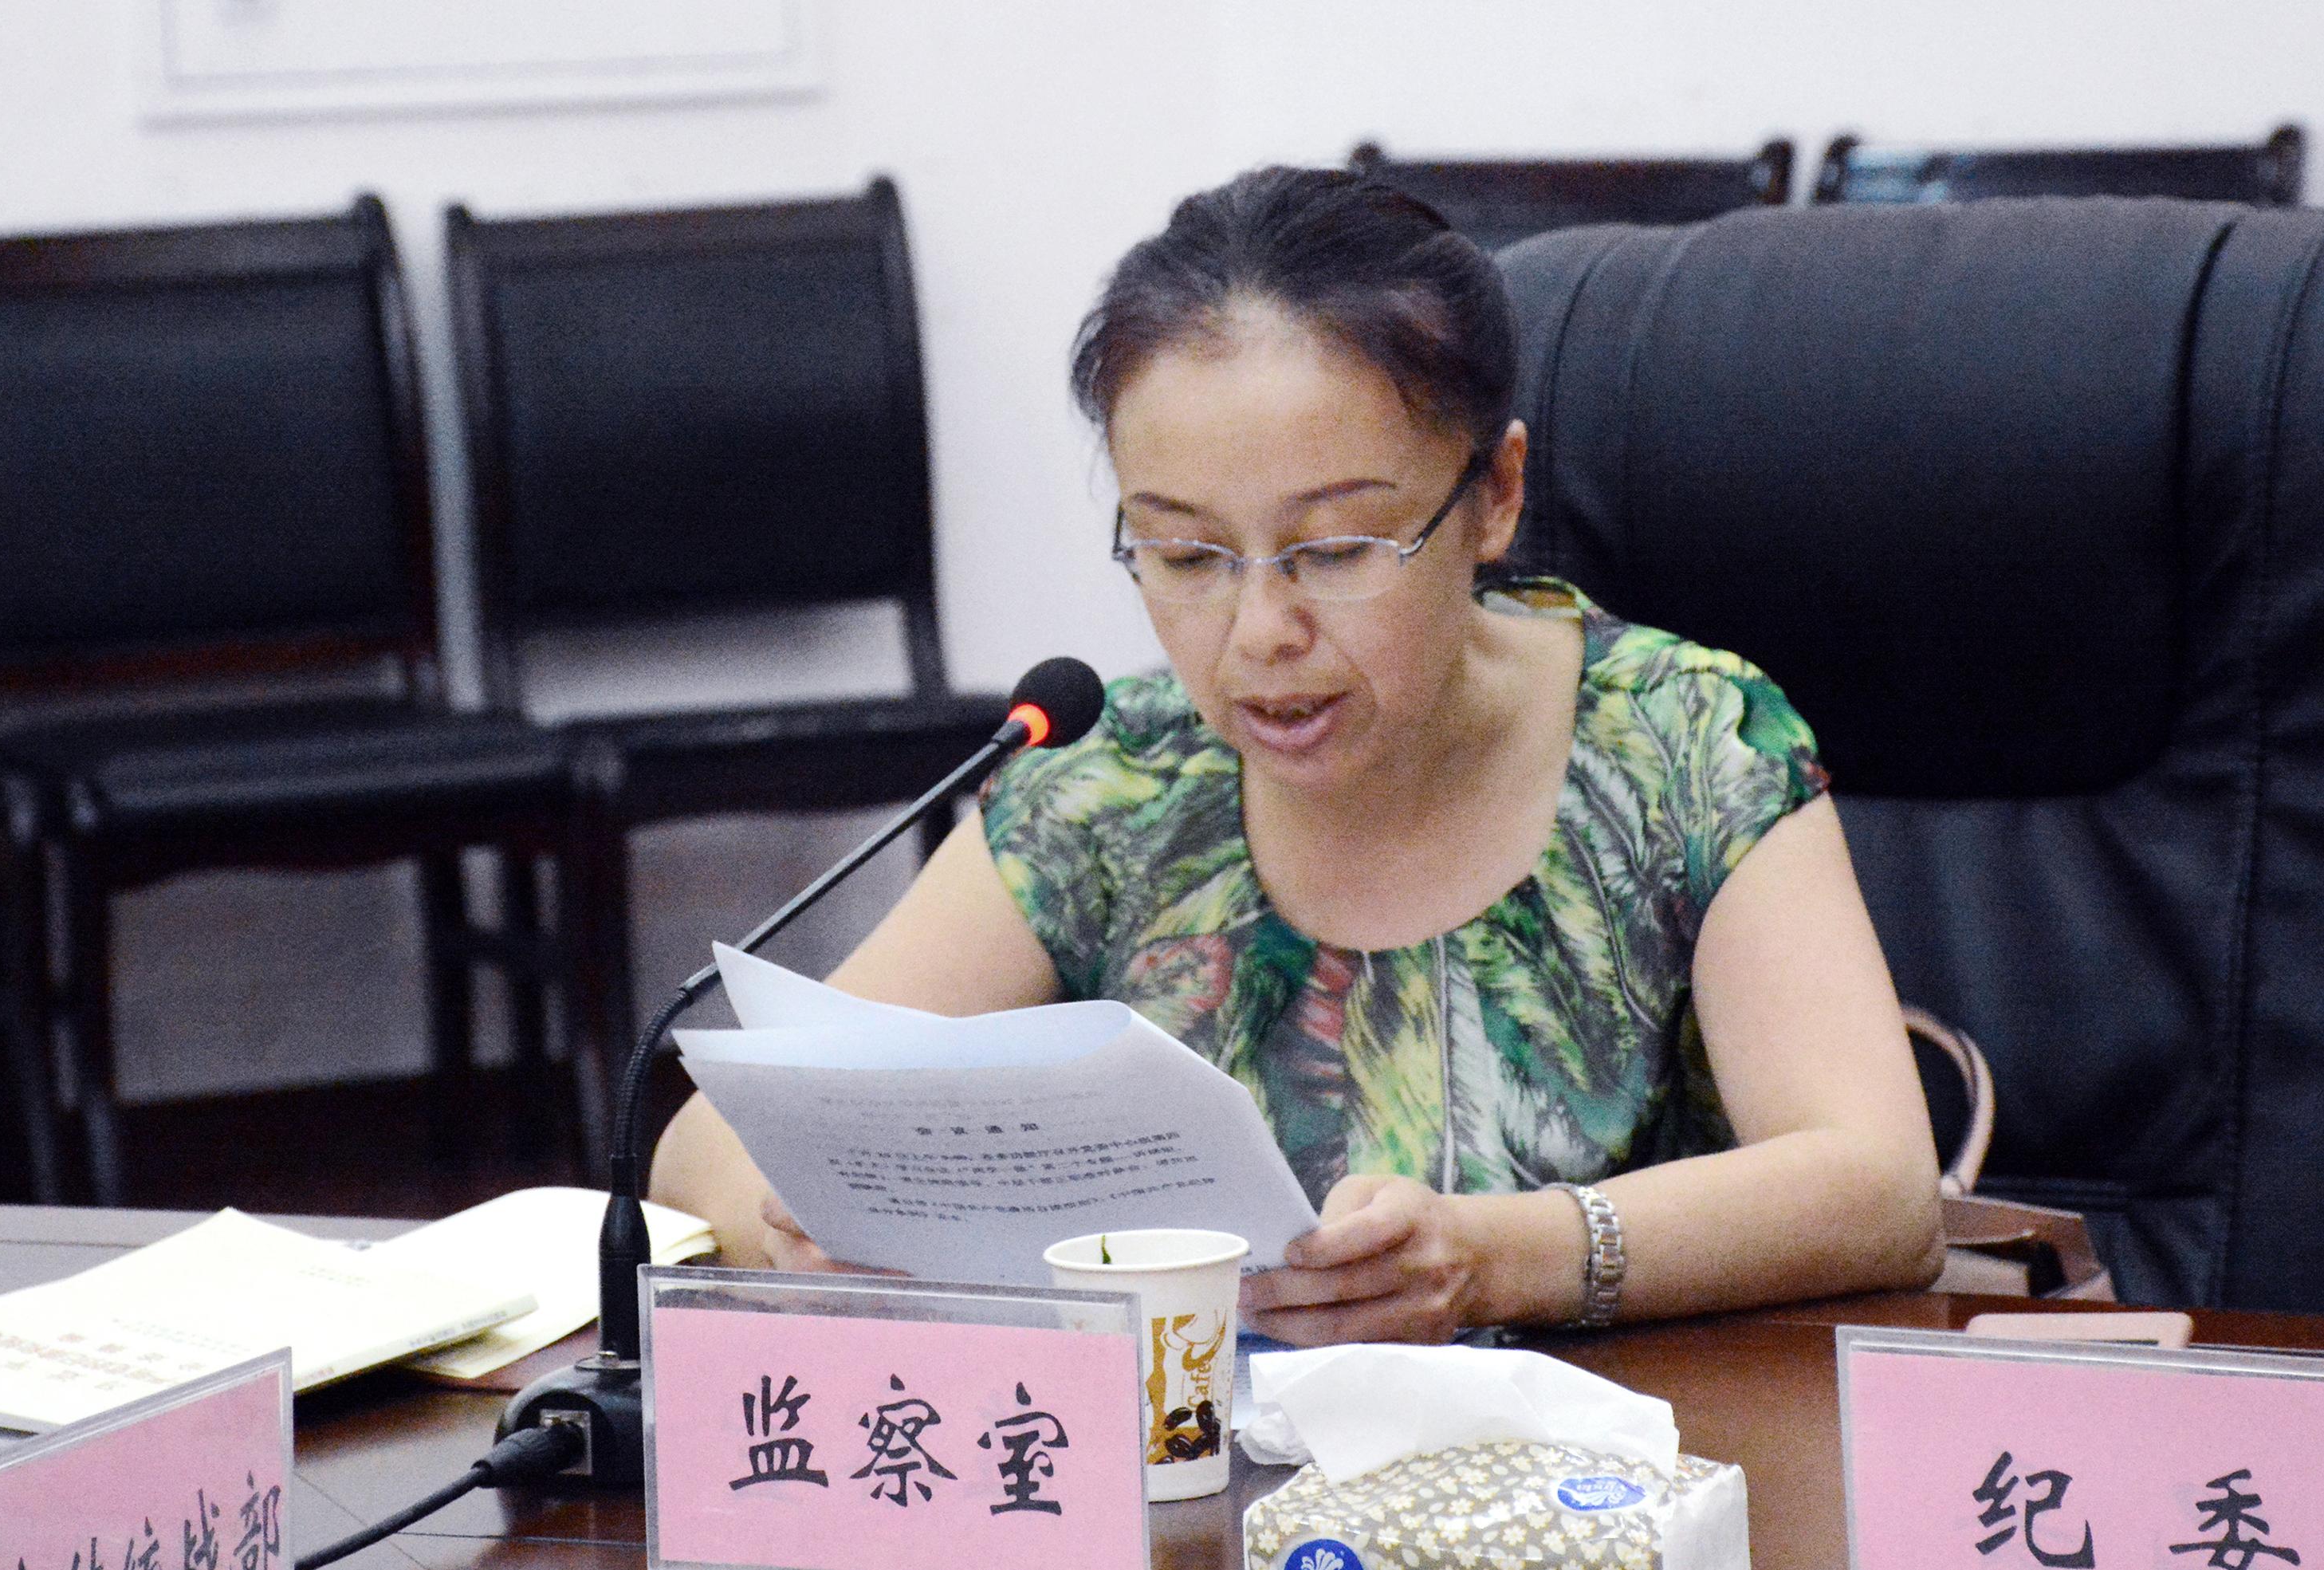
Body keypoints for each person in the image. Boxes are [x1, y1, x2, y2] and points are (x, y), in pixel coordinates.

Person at [652, 165, 1943, 1342]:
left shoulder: (1679, 741)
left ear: (1494, 495)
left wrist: (1500, 1259)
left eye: (1332, 550)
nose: (1259, 632)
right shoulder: (1117, 779)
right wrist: (811, 1231)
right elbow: (708, 1143)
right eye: (1186, 554)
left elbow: (1879, 1188)